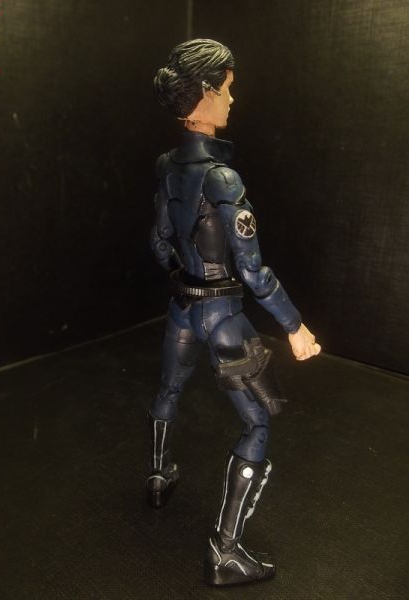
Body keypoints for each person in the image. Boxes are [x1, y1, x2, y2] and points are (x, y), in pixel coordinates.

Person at [148, 38, 321, 587]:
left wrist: (185, 276)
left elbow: (158, 241)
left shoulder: (167, 165)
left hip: (182, 308)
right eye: (227, 88)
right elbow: (252, 270)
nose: (232, 98)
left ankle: (158, 476)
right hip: (222, 314)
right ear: (204, 93)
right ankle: (225, 551)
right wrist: (294, 326)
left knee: (170, 387)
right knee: (257, 422)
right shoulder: (223, 179)